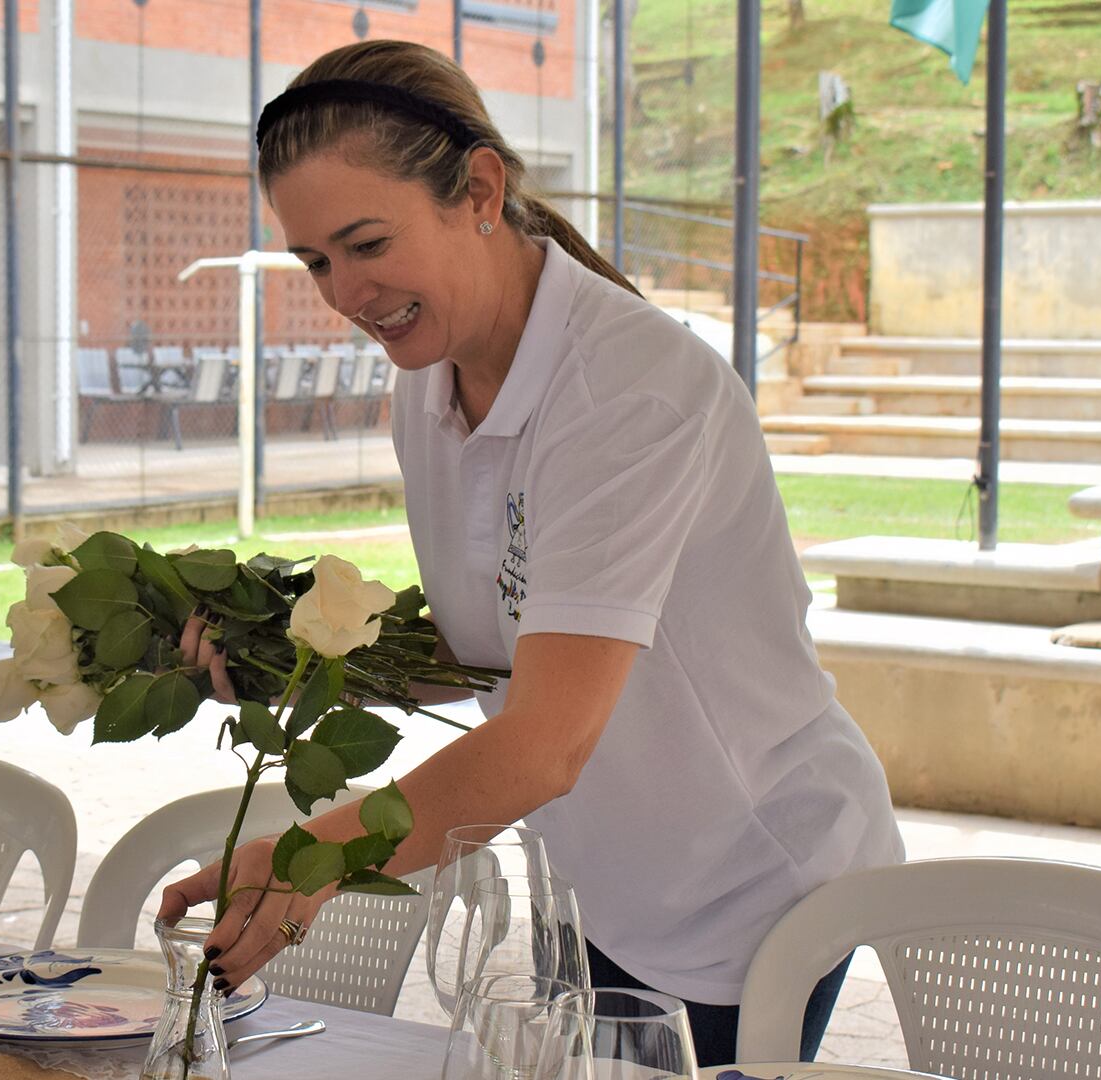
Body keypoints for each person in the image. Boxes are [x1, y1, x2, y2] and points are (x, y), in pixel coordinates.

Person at [159, 39, 905, 1066]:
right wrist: (299, 666)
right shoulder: (427, 382)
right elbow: (510, 640)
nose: (345, 293)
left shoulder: (627, 393)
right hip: (605, 868)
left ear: (478, 188)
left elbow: (546, 741)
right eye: (317, 261)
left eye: (368, 244)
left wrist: (306, 856)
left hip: (745, 877)